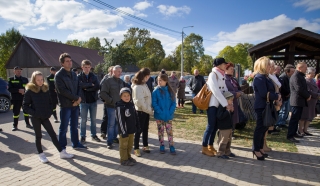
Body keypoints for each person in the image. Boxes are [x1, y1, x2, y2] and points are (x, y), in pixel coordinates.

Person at [23, 71, 74, 163]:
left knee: (53, 135)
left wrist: (50, 111)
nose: (40, 81)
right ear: (34, 80)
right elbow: (25, 106)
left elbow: (51, 102)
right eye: (38, 80)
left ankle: (61, 152)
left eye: (41, 79)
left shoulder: (45, 89)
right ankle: (41, 154)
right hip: (35, 118)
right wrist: (35, 113)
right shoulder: (30, 91)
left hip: (45, 117)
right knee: (38, 136)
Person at [55, 53, 87, 150]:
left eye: (70, 60)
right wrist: (75, 99)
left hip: (75, 105)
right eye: (67, 61)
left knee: (74, 126)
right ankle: (62, 147)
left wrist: (78, 100)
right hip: (65, 105)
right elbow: (62, 91)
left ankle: (76, 143)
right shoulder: (59, 75)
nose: (70, 63)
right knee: (63, 128)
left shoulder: (74, 74)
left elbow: (78, 87)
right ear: (62, 64)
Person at [252, 57, 281, 161]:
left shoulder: (266, 77)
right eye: (268, 65)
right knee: (260, 128)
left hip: (266, 105)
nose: (270, 67)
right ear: (263, 66)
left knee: (264, 128)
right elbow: (264, 93)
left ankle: (260, 147)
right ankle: (256, 149)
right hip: (261, 106)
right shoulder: (259, 77)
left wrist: (276, 95)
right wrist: (276, 96)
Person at [202, 58, 230, 157]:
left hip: (220, 104)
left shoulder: (222, 74)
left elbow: (225, 89)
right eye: (224, 64)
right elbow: (216, 91)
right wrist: (225, 104)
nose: (225, 65)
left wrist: (229, 99)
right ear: (218, 65)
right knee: (210, 126)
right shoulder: (212, 74)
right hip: (212, 104)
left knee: (215, 127)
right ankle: (204, 147)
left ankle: (210, 145)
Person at [99, 65, 125, 149]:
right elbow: (102, 93)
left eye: (121, 72)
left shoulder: (121, 81)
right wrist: (110, 100)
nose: (120, 73)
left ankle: (114, 138)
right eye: (118, 71)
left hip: (119, 106)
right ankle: (109, 142)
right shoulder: (107, 81)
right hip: (111, 106)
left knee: (117, 124)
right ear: (113, 71)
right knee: (111, 124)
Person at [152, 74, 177, 155]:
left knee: (169, 132)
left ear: (166, 81)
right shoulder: (155, 91)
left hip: (168, 116)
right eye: (158, 80)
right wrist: (159, 111)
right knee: (161, 131)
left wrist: (170, 111)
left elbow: (173, 103)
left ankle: (171, 146)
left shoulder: (170, 91)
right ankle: (162, 145)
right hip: (159, 116)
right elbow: (154, 103)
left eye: (160, 80)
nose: (159, 82)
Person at [131, 68, 153, 157]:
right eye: (148, 76)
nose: (149, 78)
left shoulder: (144, 84)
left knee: (145, 129)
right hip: (140, 111)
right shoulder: (137, 87)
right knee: (138, 130)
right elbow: (140, 102)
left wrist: (148, 110)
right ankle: (136, 148)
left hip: (146, 111)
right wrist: (149, 110)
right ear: (145, 76)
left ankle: (145, 145)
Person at [78, 60, 101, 144]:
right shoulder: (79, 76)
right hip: (83, 101)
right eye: (85, 67)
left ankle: (93, 135)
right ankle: (83, 136)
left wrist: (86, 88)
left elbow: (97, 86)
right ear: (82, 67)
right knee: (83, 120)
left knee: (93, 119)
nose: (87, 69)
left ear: (90, 67)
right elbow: (79, 85)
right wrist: (90, 85)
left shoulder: (94, 76)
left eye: (88, 67)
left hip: (93, 101)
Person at [287, 62, 311, 143]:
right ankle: (290, 135)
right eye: (305, 67)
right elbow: (299, 89)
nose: (306, 69)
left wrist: (307, 95)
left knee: (297, 118)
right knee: (294, 119)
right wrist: (307, 95)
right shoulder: (295, 76)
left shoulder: (299, 76)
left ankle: (294, 133)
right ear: (300, 68)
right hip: (296, 101)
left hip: (299, 101)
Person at [116, 87, 139, 166]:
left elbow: (135, 116)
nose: (126, 97)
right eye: (124, 96)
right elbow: (120, 120)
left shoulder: (131, 104)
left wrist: (137, 126)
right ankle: (123, 160)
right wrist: (123, 131)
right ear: (121, 97)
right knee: (123, 146)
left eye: (128, 95)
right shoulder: (119, 106)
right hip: (124, 131)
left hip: (131, 130)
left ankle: (128, 157)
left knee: (129, 145)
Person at [8, 66, 32, 131]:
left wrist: (24, 91)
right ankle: (15, 125)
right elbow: (10, 89)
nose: (19, 72)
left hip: (24, 98)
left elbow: (28, 88)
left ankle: (28, 124)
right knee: (16, 113)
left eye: (20, 71)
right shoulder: (11, 79)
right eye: (17, 71)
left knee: (26, 112)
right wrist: (18, 90)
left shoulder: (25, 79)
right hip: (16, 99)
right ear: (14, 71)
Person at [298, 67, 319, 136]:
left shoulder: (313, 81)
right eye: (312, 74)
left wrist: (318, 94)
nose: (313, 75)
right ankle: (300, 129)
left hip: (313, 101)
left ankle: (306, 129)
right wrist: (317, 94)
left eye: (313, 73)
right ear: (307, 74)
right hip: (308, 100)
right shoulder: (306, 81)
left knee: (310, 116)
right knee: (304, 116)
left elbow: (317, 89)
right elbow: (308, 91)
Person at [216, 91, 236, 159]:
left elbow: (230, 115)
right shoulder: (222, 106)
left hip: (229, 126)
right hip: (224, 126)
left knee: (229, 139)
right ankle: (220, 153)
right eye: (231, 100)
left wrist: (232, 111)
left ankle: (227, 151)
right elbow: (220, 116)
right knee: (223, 140)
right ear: (226, 100)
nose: (232, 101)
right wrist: (227, 111)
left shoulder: (229, 106)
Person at [224, 63, 242, 133]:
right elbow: (225, 91)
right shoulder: (224, 79)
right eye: (231, 69)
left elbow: (239, 88)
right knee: (229, 117)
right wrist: (235, 94)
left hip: (235, 101)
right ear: (226, 69)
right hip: (228, 102)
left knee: (234, 117)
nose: (233, 70)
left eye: (233, 69)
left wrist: (239, 93)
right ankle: (228, 133)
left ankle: (232, 131)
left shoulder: (233, 79)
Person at [99, 66, 114, 139]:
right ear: (109, 71)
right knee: (106, 117)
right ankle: (103, 132)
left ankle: (113, 134)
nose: (113, 72)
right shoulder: (105, 79)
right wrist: (103, 100)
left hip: (114, 102)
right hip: (107, 102)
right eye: (111, 71)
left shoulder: (116, 79)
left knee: (113, 119)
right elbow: (100, 91)